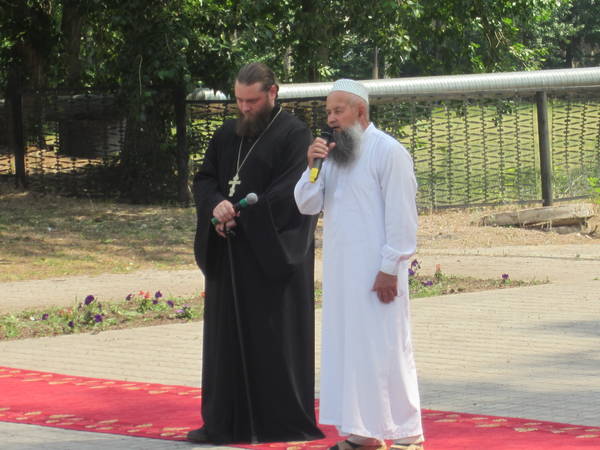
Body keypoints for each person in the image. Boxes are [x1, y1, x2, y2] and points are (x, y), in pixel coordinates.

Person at [189, 62, 324, 444]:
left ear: (272, 93)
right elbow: (206, 180)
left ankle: (275, 423)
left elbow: (291, 192)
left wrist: (242, 215)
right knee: (225, 345)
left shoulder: (294, 134)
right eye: (239, 100)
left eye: (252, 101)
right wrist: (216, 206)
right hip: (229, 255)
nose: (245, 108)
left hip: (269, 256)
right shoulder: (225, 134)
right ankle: (223, 423)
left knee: (270, 344)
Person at [294, 79, 425, 450]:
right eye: (328, 112)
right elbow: (306, 204)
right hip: (342, 275)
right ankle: (363, 434)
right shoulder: (333, 156)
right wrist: (311, 165)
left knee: (388, 349)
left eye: (338, 111)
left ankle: (408, 435)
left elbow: (402, 218)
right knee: (350, 351)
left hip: (378, 272)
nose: (331, 119)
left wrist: (390, 268)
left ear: (360, 111)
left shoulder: (389, 152)